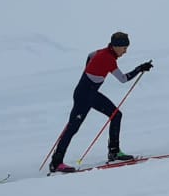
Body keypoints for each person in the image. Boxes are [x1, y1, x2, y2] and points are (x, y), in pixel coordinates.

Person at [48, 32, 154, 173]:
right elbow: (123, 79)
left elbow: (90, 55)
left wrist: (90, 70)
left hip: (90, 93)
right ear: (116, 46)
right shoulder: (108, 59)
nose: (125, 51)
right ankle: (56, 163)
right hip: (84, 96)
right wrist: (139, 68)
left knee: (116, 115)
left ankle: (114, 152)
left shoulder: (101, 52)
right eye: (124, 48)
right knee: (73, 128)